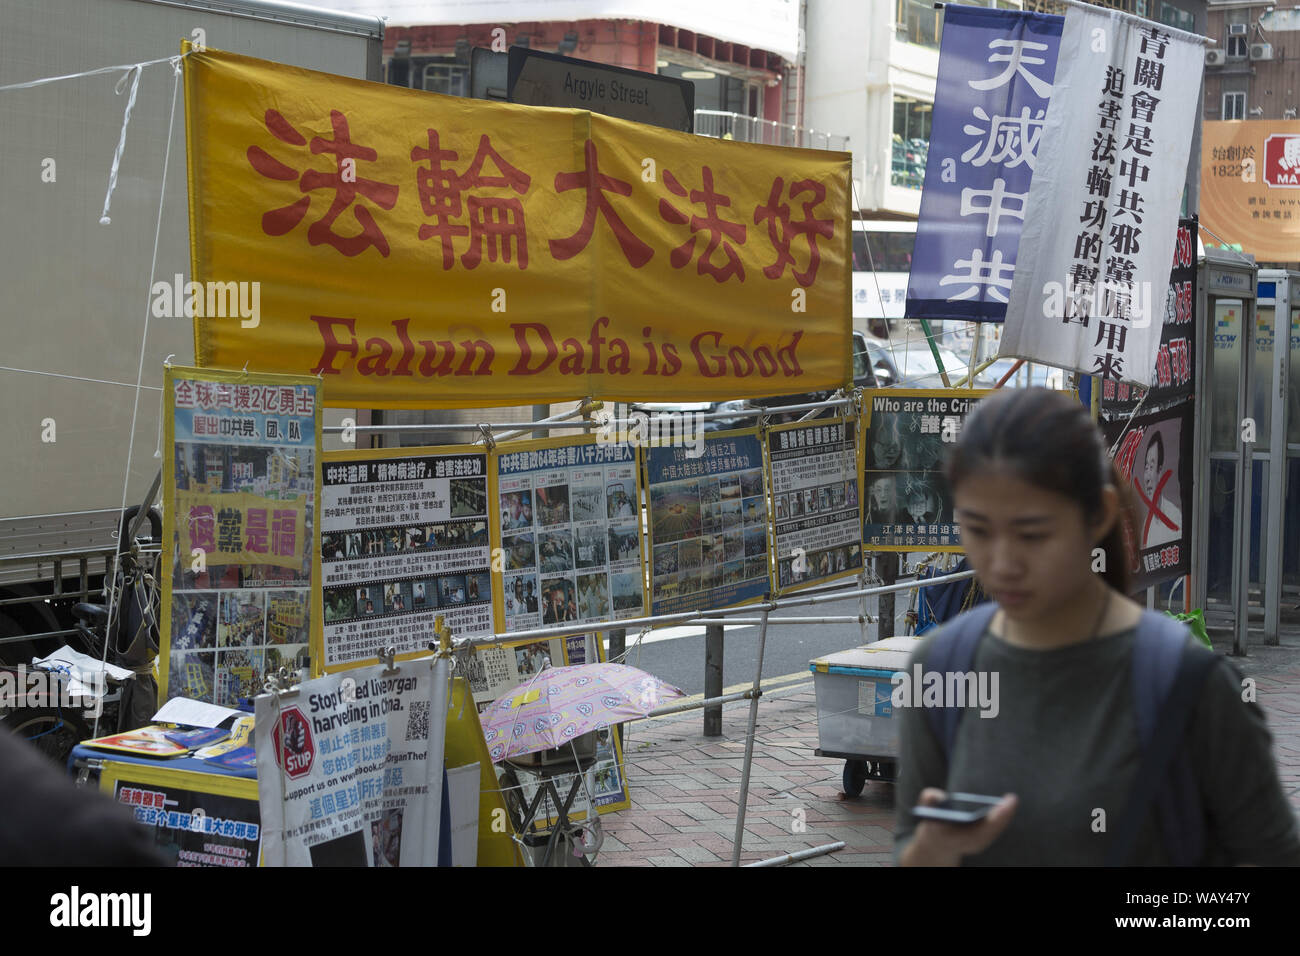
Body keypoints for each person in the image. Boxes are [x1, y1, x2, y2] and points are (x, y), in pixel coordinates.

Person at [895, 388, 1300, 866]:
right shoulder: (939, 667)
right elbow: (911, 843)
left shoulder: (1191, 685)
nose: (1002, 564)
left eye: (1032, 533)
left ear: (1100, 515)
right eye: (978, 530)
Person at [1139, 430, 1182, 549]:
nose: (1147, 477)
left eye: (1151, 467)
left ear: (1160, 472)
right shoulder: (1147, 524)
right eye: (1146, 467)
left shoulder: (1175, 517)